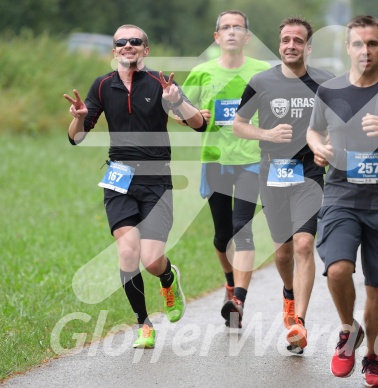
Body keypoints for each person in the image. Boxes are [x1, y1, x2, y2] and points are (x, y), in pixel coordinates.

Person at [64, 24, 206, 349]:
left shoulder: (161, 83)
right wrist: (78, 117)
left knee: (152, 260)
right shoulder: (102, 86)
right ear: (114, 50)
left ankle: (169, 279)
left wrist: (177, 102)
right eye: (121, 42)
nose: (128, 45)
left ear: (146, 49)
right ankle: (143, 324)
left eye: (135, 41)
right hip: (119, 178)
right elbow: (76, 137)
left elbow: (199, 124)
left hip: (156, 179)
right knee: (128, 252)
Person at [306, 15, 378, 386]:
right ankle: (348, 329)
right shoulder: (331, 91)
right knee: (338, 269)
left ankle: (372, 356)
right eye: (358, 44)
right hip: (342, 194)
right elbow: (313, 130)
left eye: (372, 44)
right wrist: (318, 148)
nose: (365, 50)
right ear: (348, 48)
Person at [233, 17, 334, 353]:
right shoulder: (261, 81)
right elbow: (238, 124)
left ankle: (299, 323)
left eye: (298, 41)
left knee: (304, 244)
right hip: (273, 172)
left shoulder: (324, 82)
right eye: (286, 40)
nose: (291, 45)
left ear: (308, 47)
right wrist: (266, 134)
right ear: (280, 44)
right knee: (283, 250)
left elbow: (338, 125)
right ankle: (288, 294)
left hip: (309, 173)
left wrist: (325, 148)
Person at [180, 10, 271, 328]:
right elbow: (178, 111)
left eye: (238, 27)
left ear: (247, 37)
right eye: (225, 27)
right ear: (216, 37)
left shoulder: (263, 71)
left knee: (242, 229)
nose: (232, 32)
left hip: (250, 159)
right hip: (216, 159)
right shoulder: (202, 72)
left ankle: (238, 300)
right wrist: (191, 114)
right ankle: (229, 281)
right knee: (222, 237)